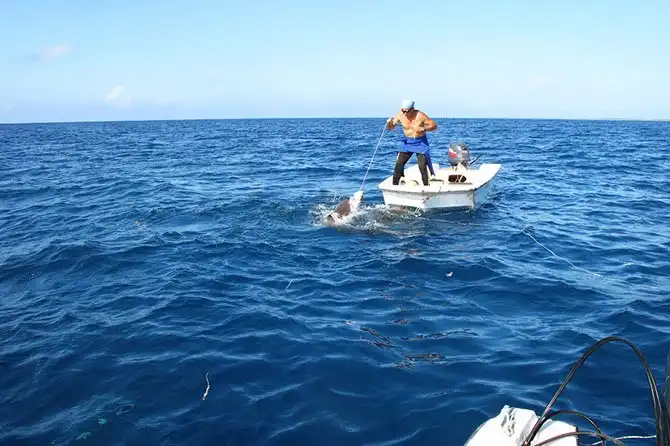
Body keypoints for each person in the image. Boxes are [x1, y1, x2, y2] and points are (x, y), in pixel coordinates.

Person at [385, 100, 438, 186]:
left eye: (407, 111)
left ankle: (426, 186)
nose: (405, 113)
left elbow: (434, 126)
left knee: (422, 166)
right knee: (399, 164)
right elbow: (390, 128)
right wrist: (389, 123)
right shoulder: (400, 115)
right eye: (403, 111)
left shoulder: (420, 115)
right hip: (408, 142)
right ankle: (395, 186)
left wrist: (423, 129)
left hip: (420, 142)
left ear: (412, 109)